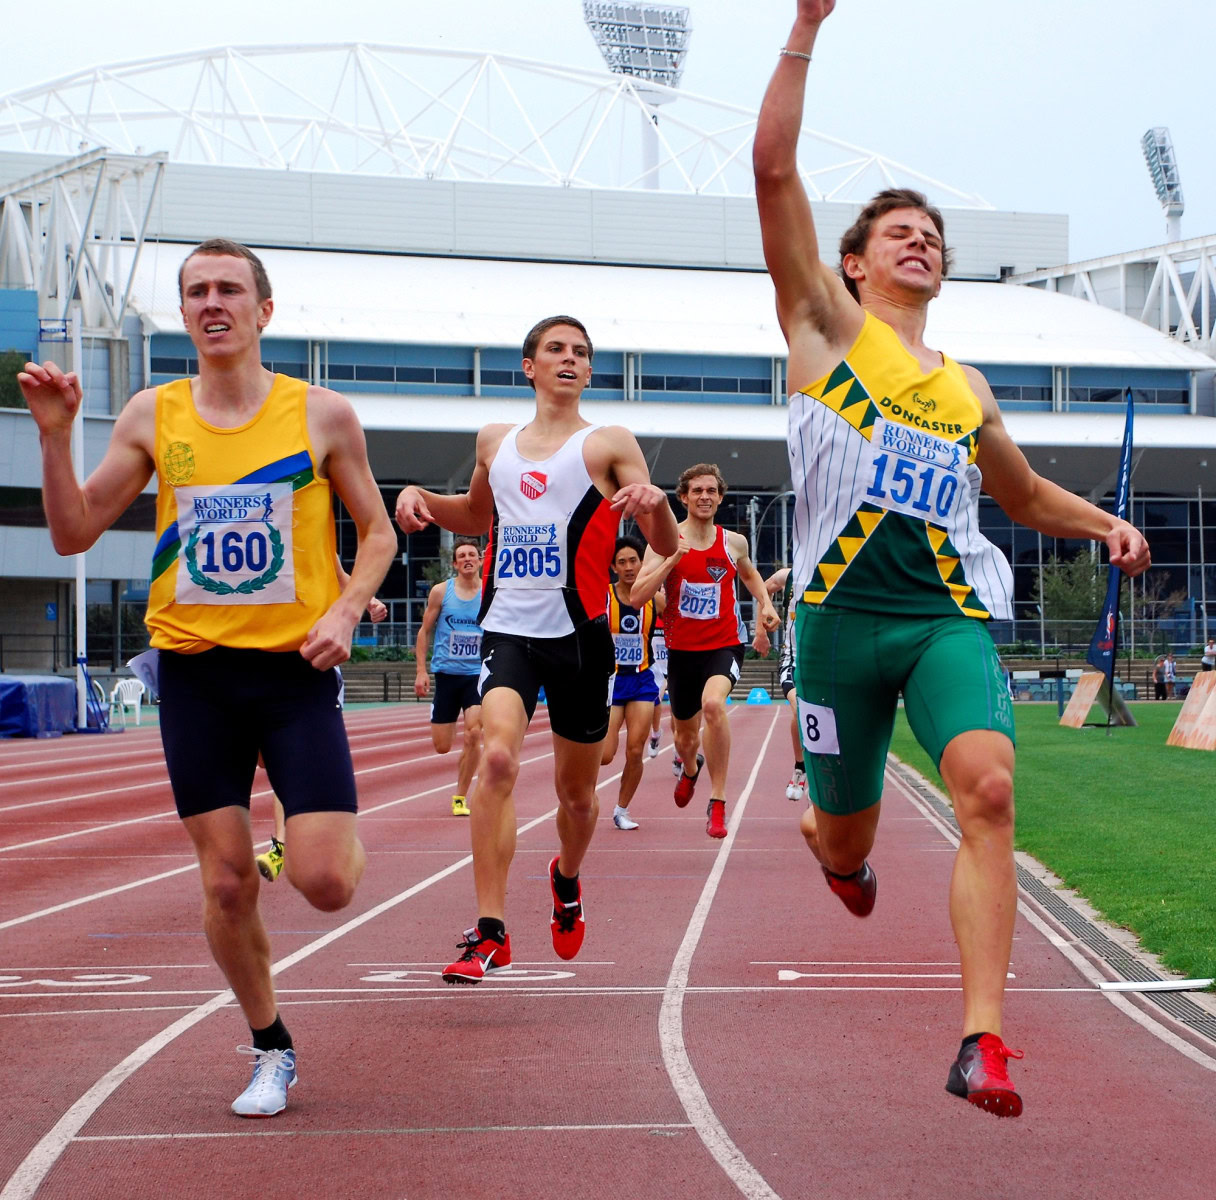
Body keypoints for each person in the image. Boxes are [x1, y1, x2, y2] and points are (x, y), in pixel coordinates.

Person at [754, 0, 1151, 1118]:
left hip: (941, 620)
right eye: (898, 231)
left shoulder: (963, 385)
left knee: (987, 786)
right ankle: (833, 848)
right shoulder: (823, 329)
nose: (920, 240)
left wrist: (1101, 527)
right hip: (834, 627)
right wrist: (804, 28)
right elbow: (772, 165)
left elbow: (1015, 493)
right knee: (846, 834)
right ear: (850, 262)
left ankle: (982, 1041)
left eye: (932, 233)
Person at [20, 238, 397, 1118]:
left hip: (294, 671)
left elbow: (377, 533)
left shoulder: (322, 415)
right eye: (196, 292)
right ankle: (271, 1046)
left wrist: (345, 611)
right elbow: (72, 533)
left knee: (327, 884)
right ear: (184, 314)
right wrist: (56, 438)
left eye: (230, 288)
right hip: (195, 675)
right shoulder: (155, 415)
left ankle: (319, 832)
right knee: (226, 879)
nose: (212, 302)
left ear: (265, 312)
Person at [394, 315, 678, 984]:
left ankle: (567, 878)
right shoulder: (495, 440)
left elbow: (663, 542)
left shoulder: (609, 443)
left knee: (577, 800)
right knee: (495, 757)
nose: (570, 359)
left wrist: (655, 502)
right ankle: (490, 932)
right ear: (529, 366)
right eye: (557, 349)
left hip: (580, 639)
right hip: (509, 630)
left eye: (581, 352)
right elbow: (474, 515)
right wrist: (420, 499)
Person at [631, 463, 780, 839]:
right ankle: (691, 768)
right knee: (683, 737)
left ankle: (718, 800)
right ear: (683, 498)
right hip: (681, 650)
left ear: (719, 497)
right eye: (697, 491)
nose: (705, 497)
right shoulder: (664, 542)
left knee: (714, 706)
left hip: (725, 643)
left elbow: (749, 574)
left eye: (711, 490)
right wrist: (671, 559)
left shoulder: (734, 543)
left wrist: (765, 603)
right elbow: (637, 597)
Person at [256, 568, 387, 882]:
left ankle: (283, 846)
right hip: (252, 656)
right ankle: (304, 828)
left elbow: (336, 568)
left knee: (284, 753)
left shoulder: (305, 524)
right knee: (267, 759)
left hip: (306, 659)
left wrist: (367, 601)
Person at [414, 539, 486, 816]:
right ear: (455, 564)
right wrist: (421, 671)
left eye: (472, 555)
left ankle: (460, 795)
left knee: (474, 733)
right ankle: (452, 727)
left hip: (476, 674)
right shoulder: (441, 592)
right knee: (443, 746)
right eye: (461, 556)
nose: (467, 559)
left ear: (479, 561)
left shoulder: (489, 593)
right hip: (446, 674)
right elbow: (424, 631)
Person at [601, 535, 665, 830]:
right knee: (604, 754)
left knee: (636, 749)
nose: (629, 567)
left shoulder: (655, 598)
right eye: (622, 562)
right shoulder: (604, 597)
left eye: (634, 561)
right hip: (610, 681)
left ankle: (621, 809)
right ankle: (582, 795)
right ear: (614, 567)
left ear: (642, 564)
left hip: (641, 679)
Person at [756, 566, 806, 802]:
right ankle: (801, 768)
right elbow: (763, 588)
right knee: (800, 707)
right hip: (793, 660)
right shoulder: (789, 576)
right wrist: (761, 628)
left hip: (828, 661)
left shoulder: (839, 576)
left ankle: (808, 768)